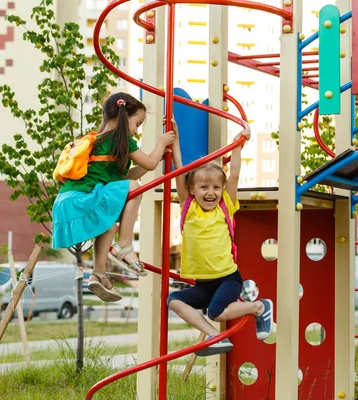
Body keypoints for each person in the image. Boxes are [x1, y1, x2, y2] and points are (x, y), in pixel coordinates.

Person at [52, 93, 176, 302]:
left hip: (65, 201)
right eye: (137, 123)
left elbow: (128, 175)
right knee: (135, 189)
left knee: (108, 226)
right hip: (82, 198)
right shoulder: (122, 140)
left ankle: (98, 274)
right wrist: (162, 143)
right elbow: (150, 164)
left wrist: (156, 155)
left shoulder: (96, 141)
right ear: (122, 116)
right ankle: (124, 245)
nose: (137, 131)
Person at [167, 119, 274, 356]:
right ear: (192, 190)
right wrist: (175, 145)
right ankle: (213, 337)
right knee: (173, 300)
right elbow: (179, 172)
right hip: (203, 283)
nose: (211, 192)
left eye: (216, 187)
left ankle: (259, 306)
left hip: (228, 278)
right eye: (204, 187)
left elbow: (234, 175)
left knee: (216, 311)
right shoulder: (188, 208)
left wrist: (237, 145)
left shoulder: (226, 205)